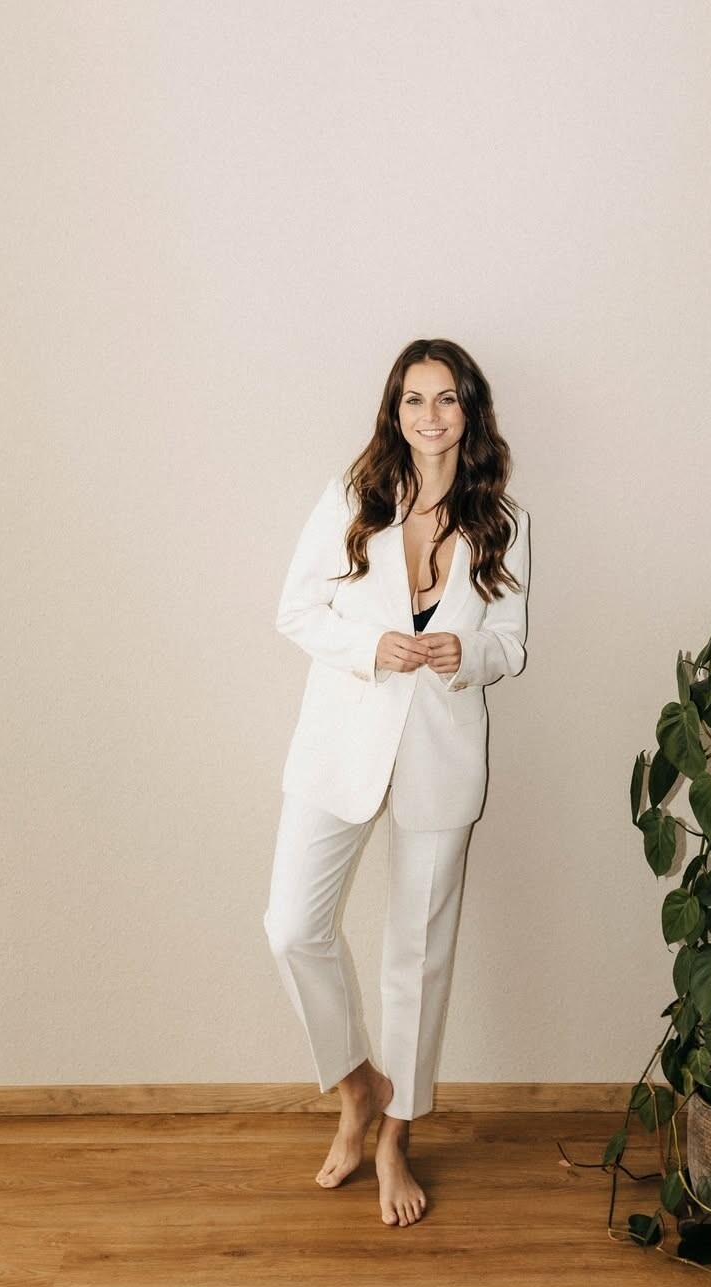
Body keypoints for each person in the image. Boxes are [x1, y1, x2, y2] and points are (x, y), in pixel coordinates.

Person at [263, 338, 530, 1227]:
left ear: (469, 410)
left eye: (446, 398)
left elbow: (511, 645)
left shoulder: (503, 521)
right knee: (292, 927)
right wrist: (372, 647)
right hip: (339, 745)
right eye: (414, 399)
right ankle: (357, 1091)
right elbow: (296, 610)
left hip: (441, 757)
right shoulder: (354, 499)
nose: (430, 415)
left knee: (418, 953)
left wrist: (467, 654)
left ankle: (396, 1137)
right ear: (395, 410)